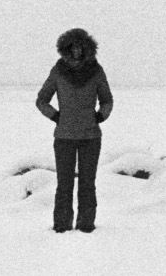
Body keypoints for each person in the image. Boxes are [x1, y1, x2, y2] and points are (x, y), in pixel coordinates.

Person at [36, 28, 113, 233]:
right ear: (66, 49)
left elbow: (107, 99)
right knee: (64, 184)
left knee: (87, 184)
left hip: (91, 137)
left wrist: (100, 116)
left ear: (87, 48)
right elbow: (42, 100)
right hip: (64, 138)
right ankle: (61, 226)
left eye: (80, 47)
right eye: (73, 47)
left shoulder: (96, 71)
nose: (77, 51)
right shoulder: (58, 71)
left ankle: (86, 226)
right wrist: (55, 116)